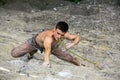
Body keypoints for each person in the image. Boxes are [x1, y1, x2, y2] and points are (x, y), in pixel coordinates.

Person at [11, 21, 80, 67]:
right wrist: (46, 62)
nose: (59, 37)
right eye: (58, 33)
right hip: (35, 43)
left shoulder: (65, 34)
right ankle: (31, 52)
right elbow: (47, 50)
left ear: (65, 33)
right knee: (14, 54)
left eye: (62, 35)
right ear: (54, 29)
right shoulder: (48, 37)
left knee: (69, 58)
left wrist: (72, 44)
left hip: (53, 46)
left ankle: (80, 65)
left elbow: (77, 37)